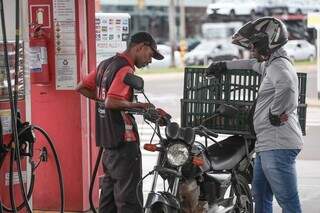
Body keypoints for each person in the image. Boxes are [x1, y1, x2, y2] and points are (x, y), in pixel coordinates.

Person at [205, 17, 303, 213]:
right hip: (267, 145)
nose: (252, 49)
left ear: (268, 42)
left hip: (278, 145)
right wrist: (223, 65)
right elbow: (251, 64)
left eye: (254, 45)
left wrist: (277, 112)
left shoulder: (278, 66)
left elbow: (288, 86)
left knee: (288, 201)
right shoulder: (271, 63)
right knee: (260, 195)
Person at [76, 32, 164, 213]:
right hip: (123, 142)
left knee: (108, 200)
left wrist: (106, 98)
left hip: (108, 144)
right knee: (128, 200)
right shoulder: (125, 69)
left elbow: (82, 87)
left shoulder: (106, 64)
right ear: (140, 47)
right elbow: (111, 102)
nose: (150, 61)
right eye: (150, 54)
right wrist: (139, 106)